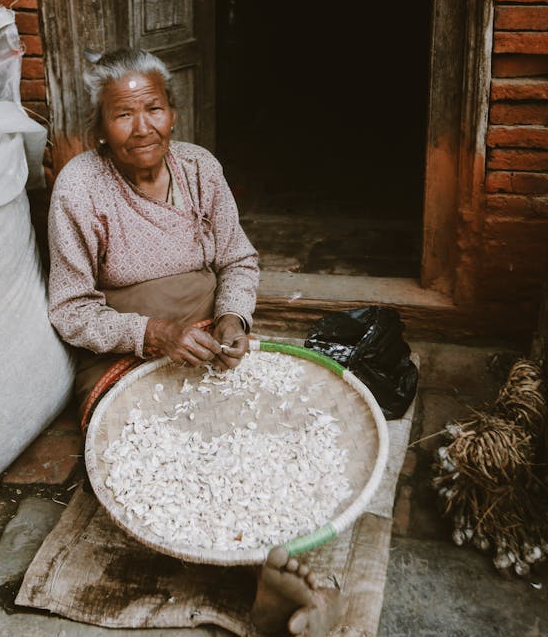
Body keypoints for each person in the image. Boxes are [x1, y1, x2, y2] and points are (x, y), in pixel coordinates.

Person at [47, 47, 345, 636]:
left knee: (271, 436)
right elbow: (70, 309)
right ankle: (260, 584)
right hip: (123, 352)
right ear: (99, 129)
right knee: (165, 458)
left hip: (209, 336)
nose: (142, 127)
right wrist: (150, 334)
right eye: (122, 115)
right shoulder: (80, 190)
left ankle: (271, 561)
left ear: (173, 112)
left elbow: (238, 259)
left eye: (153, 109)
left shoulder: (200, 169)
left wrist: (233, 318)